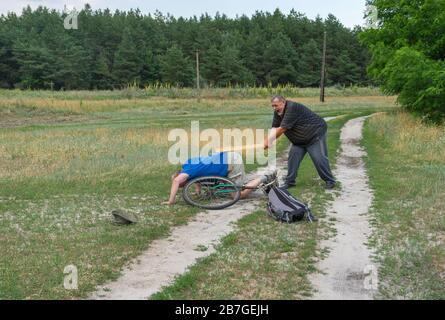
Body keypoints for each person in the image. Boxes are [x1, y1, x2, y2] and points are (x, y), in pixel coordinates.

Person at [264, 95, 336, 190]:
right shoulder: (277, 112)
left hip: (314, 135)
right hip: (299, 141)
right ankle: (290, 182)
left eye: (276, 105)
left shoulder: (292, 107)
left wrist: (269, 141)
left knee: (319, 159)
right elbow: (274, 128)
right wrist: (267, 140)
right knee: (292, 160)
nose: (274, 108)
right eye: (272, 106)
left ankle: (330, 181)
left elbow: (282, 129)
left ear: (283, 102)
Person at [162, 151, 276, 205]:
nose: (180, 186)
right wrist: (198, 190)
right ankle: (257, 177)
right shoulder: (188, 164)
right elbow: (198, 173)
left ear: (183, 178)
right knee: (239, 181)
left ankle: (264, 177)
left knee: (237, 196)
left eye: (181, 185)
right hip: (227, 158)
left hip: (231, 163)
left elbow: (177, 180)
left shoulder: (188, 172)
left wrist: (171, 201)